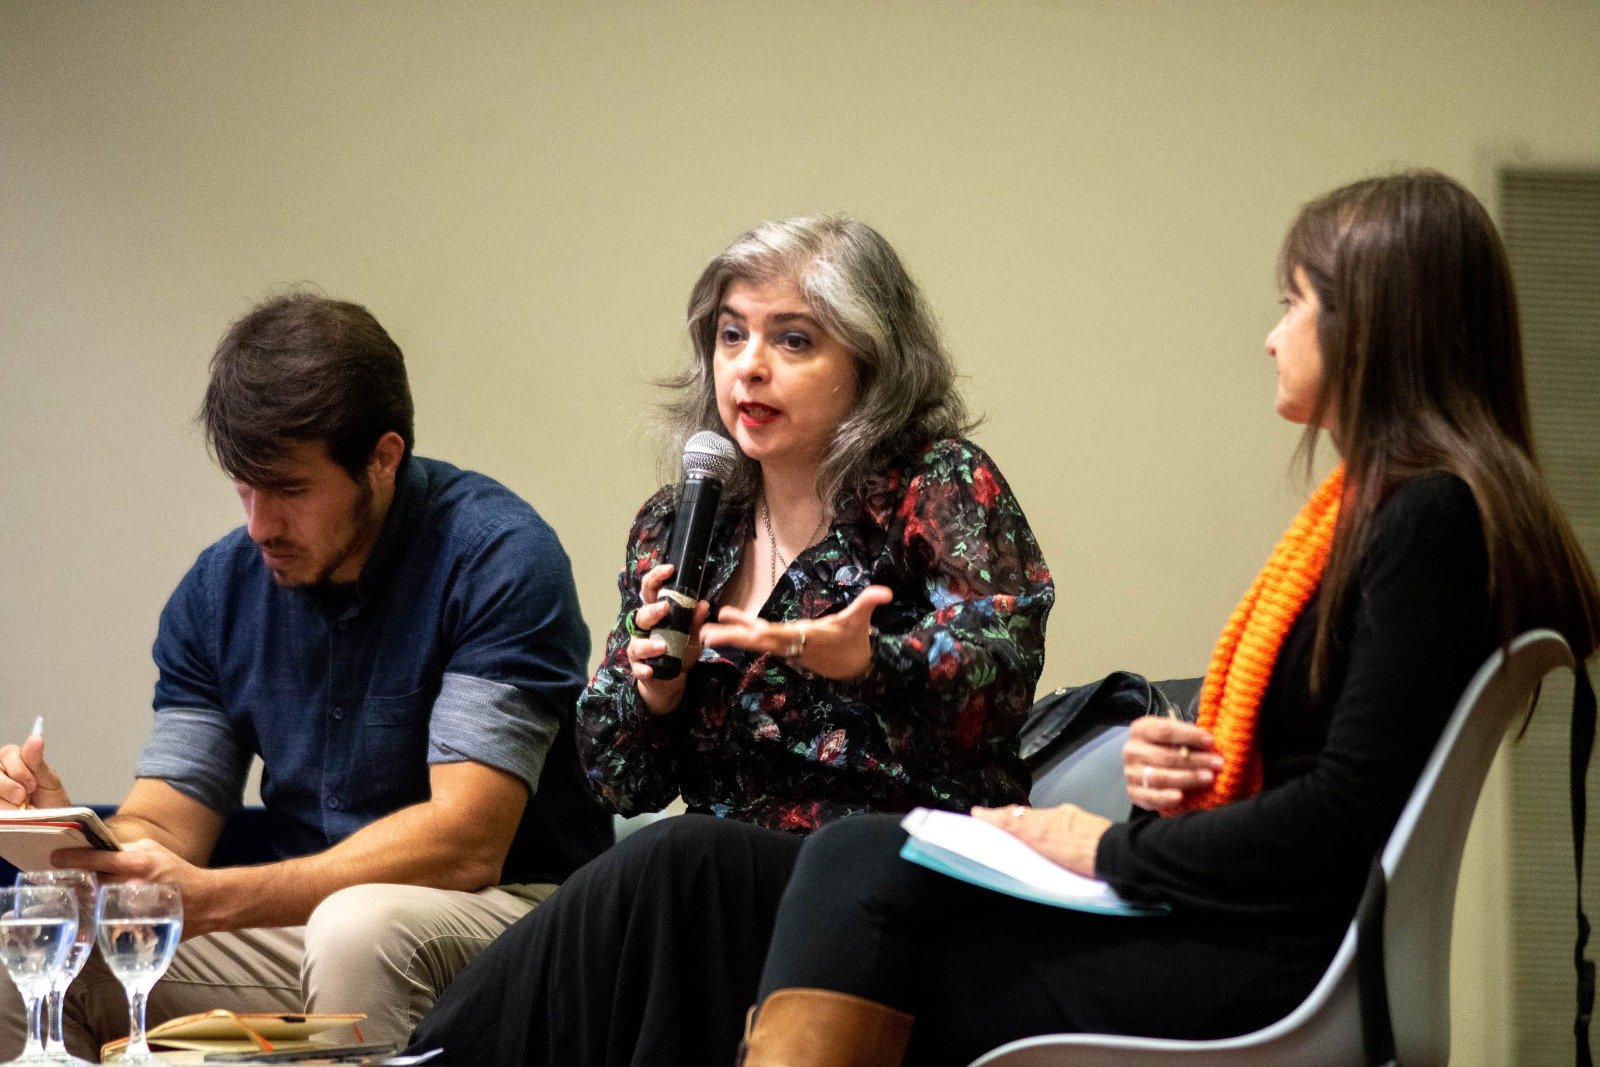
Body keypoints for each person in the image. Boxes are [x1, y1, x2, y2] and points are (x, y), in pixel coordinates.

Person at [739, 170, 1600, 1066]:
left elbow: (1340, 817)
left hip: (1273, 963)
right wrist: (1188, 773)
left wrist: (1105, 845)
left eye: (1291, 304)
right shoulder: (1408, 514)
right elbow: (1329, 765)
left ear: (1370, 325)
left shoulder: (1430, 520)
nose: (1272, 338)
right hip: (1256, 928)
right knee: (862, 859)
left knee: (868, 898)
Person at [406, 214, 1055, 1065]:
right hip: (729, 888)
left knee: (678, 862)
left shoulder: (936, 483)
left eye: (793, 340)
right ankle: (431, 1055)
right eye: (731, 334)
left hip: (893, 873)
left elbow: (1005, 663)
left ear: (871, 362)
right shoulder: (685, 523)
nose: (749, 365)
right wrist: (656, 692)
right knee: (671, 872)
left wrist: (874, 661)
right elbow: (618, 777)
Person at [0, 293, 611, 1059]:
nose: (260, 525)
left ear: (383, 459)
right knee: (31, 956)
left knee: (358, 928)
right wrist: (74, 839)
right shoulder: (220, 591)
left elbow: (465, 842)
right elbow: (164, 827)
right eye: (243, 487)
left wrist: (218, 897)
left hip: (512, 918)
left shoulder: (498, 559)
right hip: (307, 925)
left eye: (289, 490)